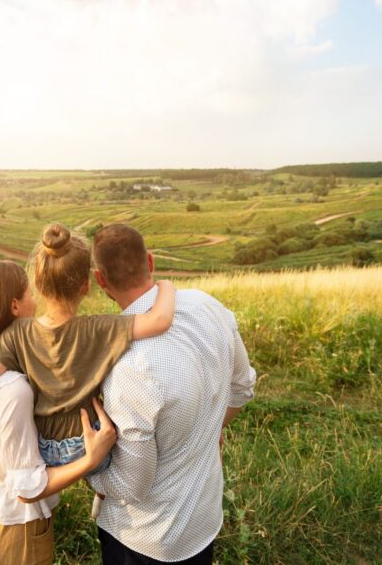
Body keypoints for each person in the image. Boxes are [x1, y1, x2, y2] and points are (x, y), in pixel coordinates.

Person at [88, 223, 257, 564]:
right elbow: (243, 386)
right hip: (204, 519)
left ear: (100, 279)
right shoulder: (208, 306)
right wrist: (207, 430)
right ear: (150, 262)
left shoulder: (128, 367)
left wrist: (90, 469)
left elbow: (132, 488)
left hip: (145, 539)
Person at [0, 223, 176, 481]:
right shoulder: (99, 328)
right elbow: (160, 320)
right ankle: (103, 491)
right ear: (86, 286)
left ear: (39, 285)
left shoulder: (18, 332)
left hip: (43, 450)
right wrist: (166, 286)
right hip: (87, 444)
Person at [0, 260, 118, 564]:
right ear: (15, 306)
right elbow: (28, 488)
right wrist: (91, 459)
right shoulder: (14, 389)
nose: (36, 300)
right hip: (15, 528)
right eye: (29, 294)